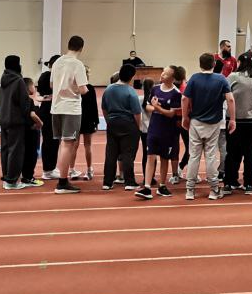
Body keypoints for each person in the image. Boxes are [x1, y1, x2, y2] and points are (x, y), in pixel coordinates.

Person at [182, 52, 236, 200]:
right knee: (211, 156)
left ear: (200, 64)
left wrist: (185, 117)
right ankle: (214, 189)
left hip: (196, 122)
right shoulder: (221, 79)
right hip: (214, 123)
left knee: (194, 156)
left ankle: (190, 190)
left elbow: (185, 98)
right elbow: (230, 99)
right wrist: (232, 119)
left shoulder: (194, 78)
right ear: (214, 64)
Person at [49, 36, 90, 194]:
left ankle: (62, 177)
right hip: (71, 108)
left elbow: (52, 84)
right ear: (81, 48)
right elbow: (83, 89)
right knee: (68, 144)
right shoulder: (77, 64)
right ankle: (62, 182)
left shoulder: (57, 62)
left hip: (56, 107)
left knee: (62, 144)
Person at [0, 55, 42, 190]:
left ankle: (7, 177)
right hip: (16, 121)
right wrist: (30, 123)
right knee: (15, 151)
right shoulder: (18, 81)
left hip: (4, 119)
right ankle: (12, 181)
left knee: (6, 150)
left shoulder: (3, 81)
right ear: (17, 65)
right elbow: (24, 105)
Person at [224, 52, 252, 195]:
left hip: (234, 119)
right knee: (249, 153)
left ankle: (229, 182)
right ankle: (249, 184)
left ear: (239, 62)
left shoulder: (232, 76)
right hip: (251, 120)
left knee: (232, 152)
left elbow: (226, 95)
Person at [139, 69, 181, 199]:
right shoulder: (155, 89)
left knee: (164, 158)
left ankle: (162, 186)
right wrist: (155, 107)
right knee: (150, 156)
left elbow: (171, 114)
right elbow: (147, 106)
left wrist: (158, 108)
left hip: (167, 130)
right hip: (153, 128)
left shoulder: (176, 93)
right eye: (163, 72)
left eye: (166, 74)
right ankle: (147, 187)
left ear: (172, 78)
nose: (162, 75)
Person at [101, 63, 142, 191]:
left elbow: (104, 108)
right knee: (127, 153)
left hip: (112, 123)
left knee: (111, 153)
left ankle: (107, 182)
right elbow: (136, 113)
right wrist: (138, 127)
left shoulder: (108, 89)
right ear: (132, 77)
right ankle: (129, 182)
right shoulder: (131, 91)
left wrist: (109, 121)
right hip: (128, 124)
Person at [72, 71, 100, 181]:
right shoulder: (90, 88)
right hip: (87, 119)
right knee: (87, 145)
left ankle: (72, 170)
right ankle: (89, 170)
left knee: (74, 145)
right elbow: (94, 106)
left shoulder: (73, 88)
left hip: (75, 118)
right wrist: (96, 121)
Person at [35, 55, 58, 180]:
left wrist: (45, 98)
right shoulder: (52, 77)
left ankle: (50, 168)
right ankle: (48, 169)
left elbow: (38, 95)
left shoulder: (43, 76)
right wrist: (49, 97)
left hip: (45, 109)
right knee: (51, 140)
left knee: (49, 140)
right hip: (51, 110)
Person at [22, 78, 43, 186]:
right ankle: (28, 177)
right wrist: (40, 123)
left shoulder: (20, 100)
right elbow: (32, 115)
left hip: (22, 131)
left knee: (25, 154)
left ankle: (25, 175)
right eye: (33, 86)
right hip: (31, 131)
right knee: (32, 155)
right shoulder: (28, 101)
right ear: (28, 87)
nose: (34, 88)